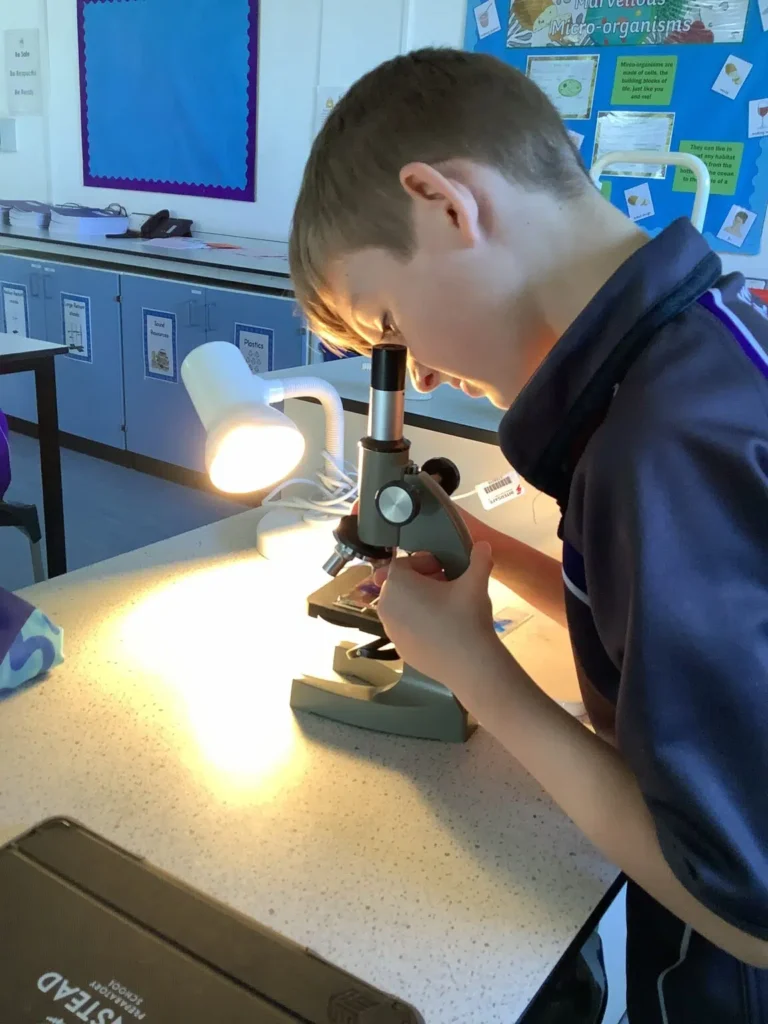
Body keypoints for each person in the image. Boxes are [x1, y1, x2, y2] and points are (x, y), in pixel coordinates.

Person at [289, 48, 768, 1022]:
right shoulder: (703, 350)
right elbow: (656, 632)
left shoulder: (658, 444)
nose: (419, 374)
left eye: (391, 321)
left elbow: (743, 898)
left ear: (444, 206)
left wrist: (480, 674)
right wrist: (496, 559)